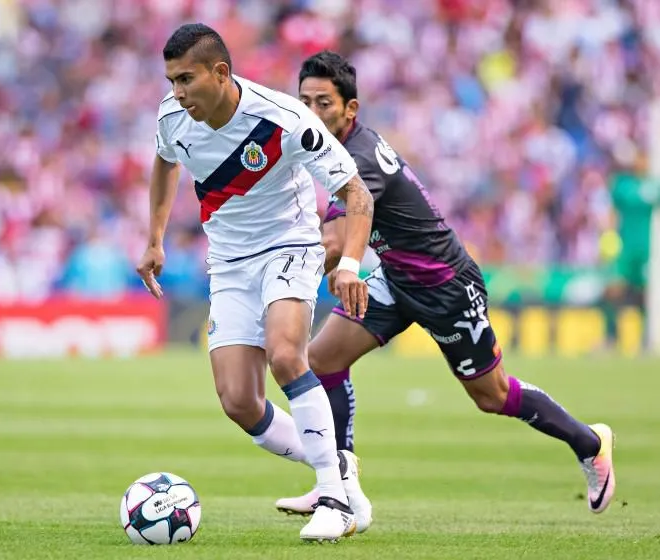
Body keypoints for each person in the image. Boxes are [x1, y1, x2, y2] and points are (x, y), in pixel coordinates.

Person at [275, 51, 616, 518]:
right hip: (395, 281)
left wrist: (280, 268)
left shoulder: (359, 157)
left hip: (446, 287)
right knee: (322, 361)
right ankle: (337, 483)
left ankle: (590, 442)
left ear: (350, 110)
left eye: (324, 104)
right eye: (304, 103)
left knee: (491, 396)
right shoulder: (335, 152)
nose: (311, 115)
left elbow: (333, 239)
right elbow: (339, 231)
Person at [136, 25, 375, 541]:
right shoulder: (173, 117)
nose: (176, 92)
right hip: (228, 263)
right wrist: (155, 238)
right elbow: (164, 161)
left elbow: (357, 194)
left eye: (186, 79)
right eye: (171, 80)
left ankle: (333, 497)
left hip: (289, 247)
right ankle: (337, 468)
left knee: (287, 356)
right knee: (240, 401)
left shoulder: (286, 120)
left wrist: (351, 265)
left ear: (221, 73)